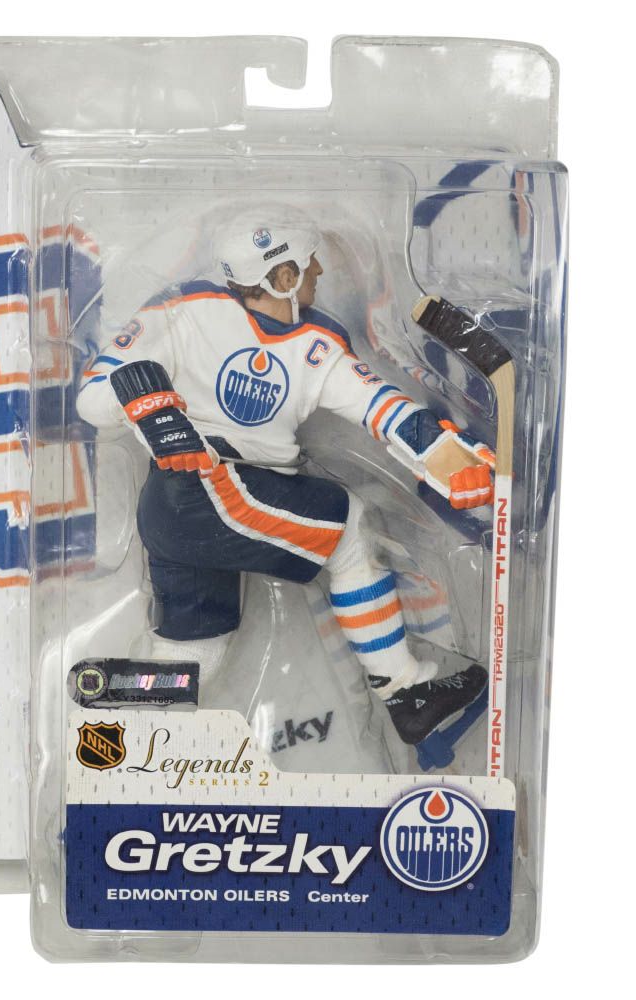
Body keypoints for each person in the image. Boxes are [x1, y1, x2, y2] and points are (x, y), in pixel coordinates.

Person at [76, 219, 492, 745]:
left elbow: (380, 405)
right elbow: (93, 396)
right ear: (283, 276)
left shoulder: (315, 342)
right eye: (308, 263)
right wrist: (146, 402)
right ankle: (407, 692)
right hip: (210, 488)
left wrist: (448, 457)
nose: (319, 271)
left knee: (197, 655)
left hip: (178, 511)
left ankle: (117, 726)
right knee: (351, 531)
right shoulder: (185, 310)